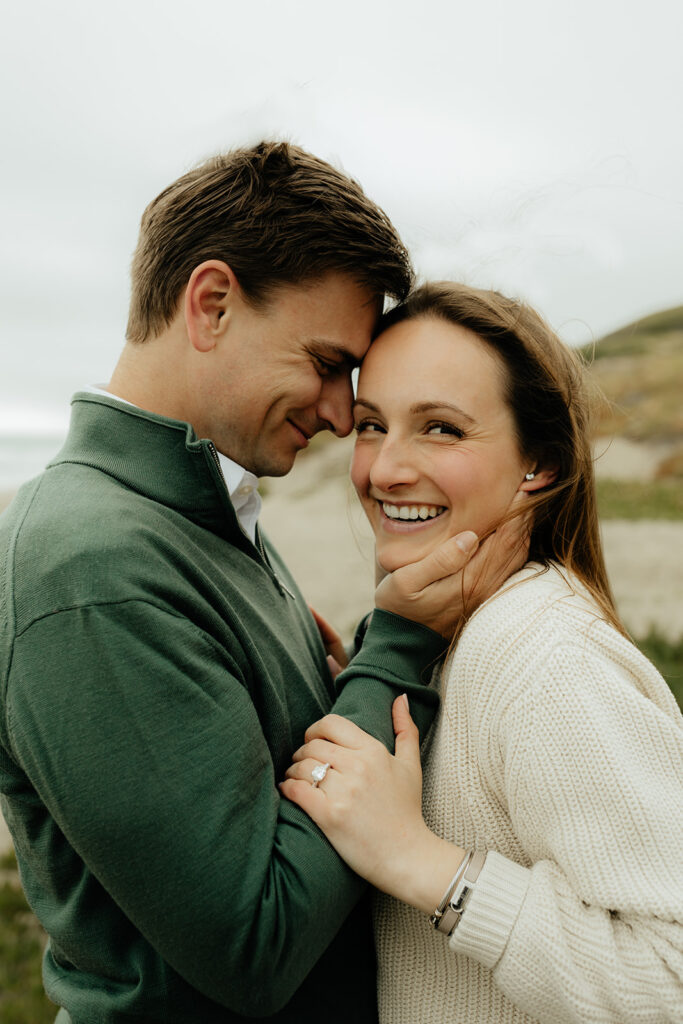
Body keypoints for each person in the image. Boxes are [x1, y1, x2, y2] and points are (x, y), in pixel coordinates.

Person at [0, 145, 523, 1023]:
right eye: (324, 362)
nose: (334, 410)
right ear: (210, 304)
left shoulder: (207, 504)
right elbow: (254, 944)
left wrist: (333, 680)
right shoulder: (89, 566)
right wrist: (394, 648)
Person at [282, 282, 683, 1023]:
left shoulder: (547, 660)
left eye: (440, 429)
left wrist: (426, 866)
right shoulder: (446, 629)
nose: (384, 470)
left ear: (540, 464)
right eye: (371, 426)